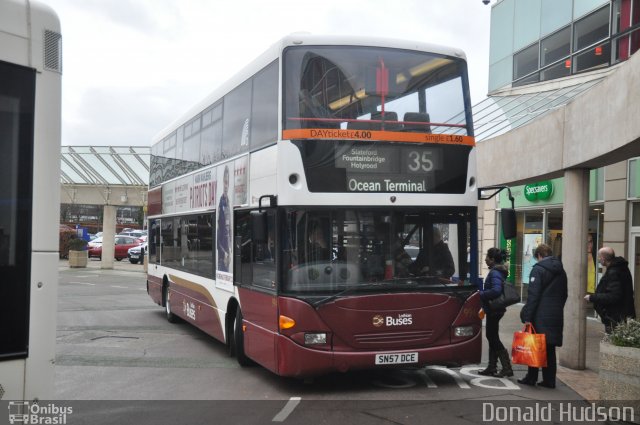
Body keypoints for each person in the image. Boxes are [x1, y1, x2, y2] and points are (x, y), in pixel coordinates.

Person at [518, 243, 568, 389]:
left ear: (539, 256)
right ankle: (549, 380)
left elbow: (533, 296)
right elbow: (564, 294)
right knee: (550, 349)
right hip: (555, 314)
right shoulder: (561, 270)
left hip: (540, 315)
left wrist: (527, 316)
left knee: (534, 345)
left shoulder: (538, 270)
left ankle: (531, 378)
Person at [477, 247, 513, 377]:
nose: (485, 259)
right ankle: (492, 367)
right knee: (492, 336)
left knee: (492, 337)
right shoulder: (497, 271)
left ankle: (506, 367)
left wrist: (481, 294)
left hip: (494, 309)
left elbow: (496, 290)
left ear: (492, 260)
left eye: (487, 257)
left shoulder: (495, 273)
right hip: (494, 309)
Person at [584, 246, 636, 334]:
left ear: (604, 259)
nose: (598, 259)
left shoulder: (614, 272)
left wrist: (592, 297)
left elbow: (614, 296)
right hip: (619, 316)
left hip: (615, 318)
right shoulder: (620, 269)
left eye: (599, 257)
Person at [217, 165, 231, 272]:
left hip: (227, 251)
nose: (226, 185)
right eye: (225, 182)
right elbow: (218, 235)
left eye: (228, 183)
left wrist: (230, 248)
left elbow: (229, 228)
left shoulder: (228, 202)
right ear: (223, 182)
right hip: (223, 255)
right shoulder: (221, 203)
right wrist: (224, 252)